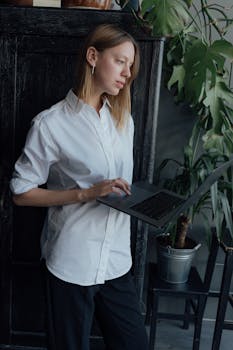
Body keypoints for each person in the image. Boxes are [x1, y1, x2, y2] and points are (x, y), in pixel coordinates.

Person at [10, 24, 149, 350]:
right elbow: (20, 192)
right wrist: (86, 193)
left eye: (131, 66)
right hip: (72, 261)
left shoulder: (123, 120)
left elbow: (120, 184)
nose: (127, 73)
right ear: (92, 56)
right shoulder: (51, 124)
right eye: (120, 61)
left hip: (116, 260)